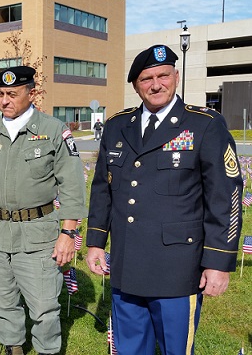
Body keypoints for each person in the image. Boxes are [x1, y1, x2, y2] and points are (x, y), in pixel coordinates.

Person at [86, 44, 243, 355]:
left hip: (177, 269)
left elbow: (225, 197)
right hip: (126, 265)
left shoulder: (204, 125)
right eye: (146, 79)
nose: (156, 84)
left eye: (163, 75)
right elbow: (103, 188)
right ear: (135, 85)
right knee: (130, 350)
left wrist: (218, 262)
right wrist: (94, 242)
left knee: (176, 350)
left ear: (176, 76)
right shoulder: (118, 125)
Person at [0, 66, 87, 355]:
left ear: (31, 93)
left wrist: (68, 233)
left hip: (38, 235)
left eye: (12, 94)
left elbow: (72, 187)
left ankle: (47, 350)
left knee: (43, 306)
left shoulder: (53, 130)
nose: (4, 101)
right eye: (1, 94)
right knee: (1, 300)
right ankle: (13, 346)